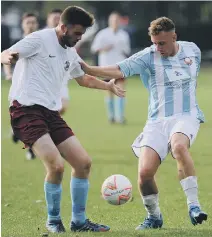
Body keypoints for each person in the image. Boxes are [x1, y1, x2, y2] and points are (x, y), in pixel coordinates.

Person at [1, 6, 125, 233]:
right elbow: (7, 53)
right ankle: (53, 221)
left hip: (50, 112)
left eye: (82, 34)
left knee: (83, 163)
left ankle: (79, 222)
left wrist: (107, 85)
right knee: (56, 166)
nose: (79, 39)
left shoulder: (69, 49)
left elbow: (83, 79)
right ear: (63, 27)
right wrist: (8, 57)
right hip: (25, 110)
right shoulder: (38, 39)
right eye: (77, 33)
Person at [79, 16, 208, 229]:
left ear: (174, 37)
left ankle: (193, 205)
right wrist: (89, 69)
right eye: (155, 43)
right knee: (144, 174)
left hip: (186, 115)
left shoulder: (192, 50)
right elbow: (120, 69)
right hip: (156, 121)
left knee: (178, 146)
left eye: (162, 43)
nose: (158, 48)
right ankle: (154, 217)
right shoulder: (148, 56)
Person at [3, 12, 39, 160]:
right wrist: (8, 73)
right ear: (22, 25)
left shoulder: (41, 42)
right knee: (24, 122)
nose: (31, 25)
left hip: (37, 89)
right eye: (28, 22)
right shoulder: (18, 43)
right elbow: (6, 56)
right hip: (19, 90)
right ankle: (17, 132)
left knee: (35, 122)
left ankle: (31, 150)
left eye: (33, 22)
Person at [91, 12, 131, 124]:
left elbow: (127, 51)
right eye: (113, 20)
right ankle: (111, 116)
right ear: (109, 21)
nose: (115, 22)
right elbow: (94, 49)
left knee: (121, 91)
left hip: (119, 67)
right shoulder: (102, 34)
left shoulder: (124, 35)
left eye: (117, 20)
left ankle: (121, 117)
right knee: (109, 92)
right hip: (106, 68)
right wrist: (105, 48)